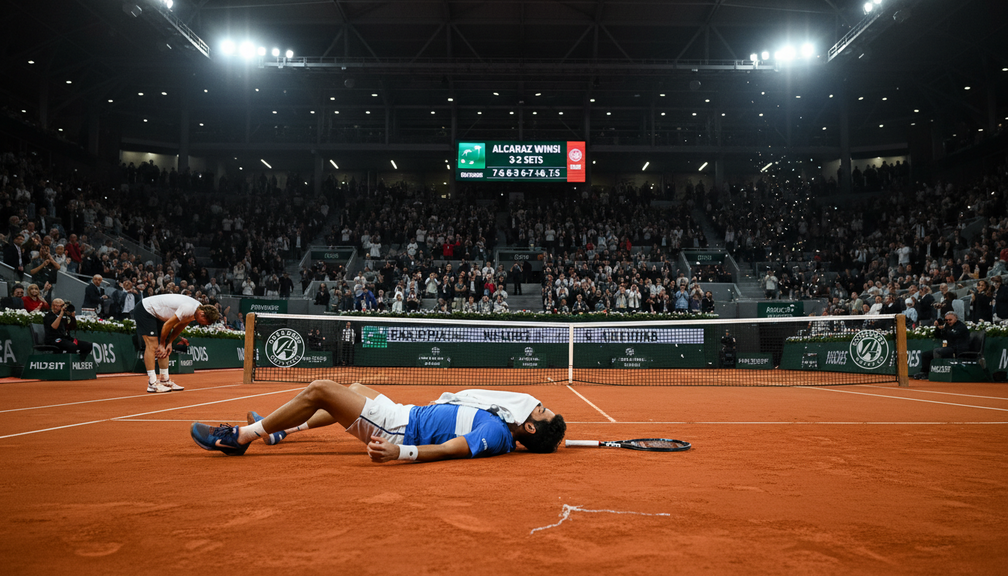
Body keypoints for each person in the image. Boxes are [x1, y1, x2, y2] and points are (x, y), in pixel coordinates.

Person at [191, 383, 566, 462]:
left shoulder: (497, 434)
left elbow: (453, 449)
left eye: (542, 410)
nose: (538, 405)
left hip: (398, 428)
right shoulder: (503, 421)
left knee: (320, 390)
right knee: (354, 388)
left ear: (531, 428)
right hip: (406, 413)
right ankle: (281, 430)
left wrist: (401, 452)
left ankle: (241, 437)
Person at [133, 294, 220, 393]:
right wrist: (162, 344)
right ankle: (152, 383)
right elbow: (167, 325)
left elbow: (179, 326)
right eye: (205, 322)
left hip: (158, 314)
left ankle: (164, 380)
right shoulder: (188, 308)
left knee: (164, 347)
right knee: (153, 345)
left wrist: (169, 342)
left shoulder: (197, 311)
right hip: (146, 309)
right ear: (202, 314)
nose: (203, 324)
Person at [915, 311, 970, 380]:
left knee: (939, 351)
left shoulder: (961, 326)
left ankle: (938, 373)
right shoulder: (947, 326)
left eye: (950, 320)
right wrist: (938, 328)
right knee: (926, 354)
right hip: (950, 348)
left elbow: (953, 335)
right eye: (946, 320)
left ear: (956, 319)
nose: (948, 322)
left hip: (959, 348)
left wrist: (944, 330)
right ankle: (925, 372)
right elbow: (938, 336)